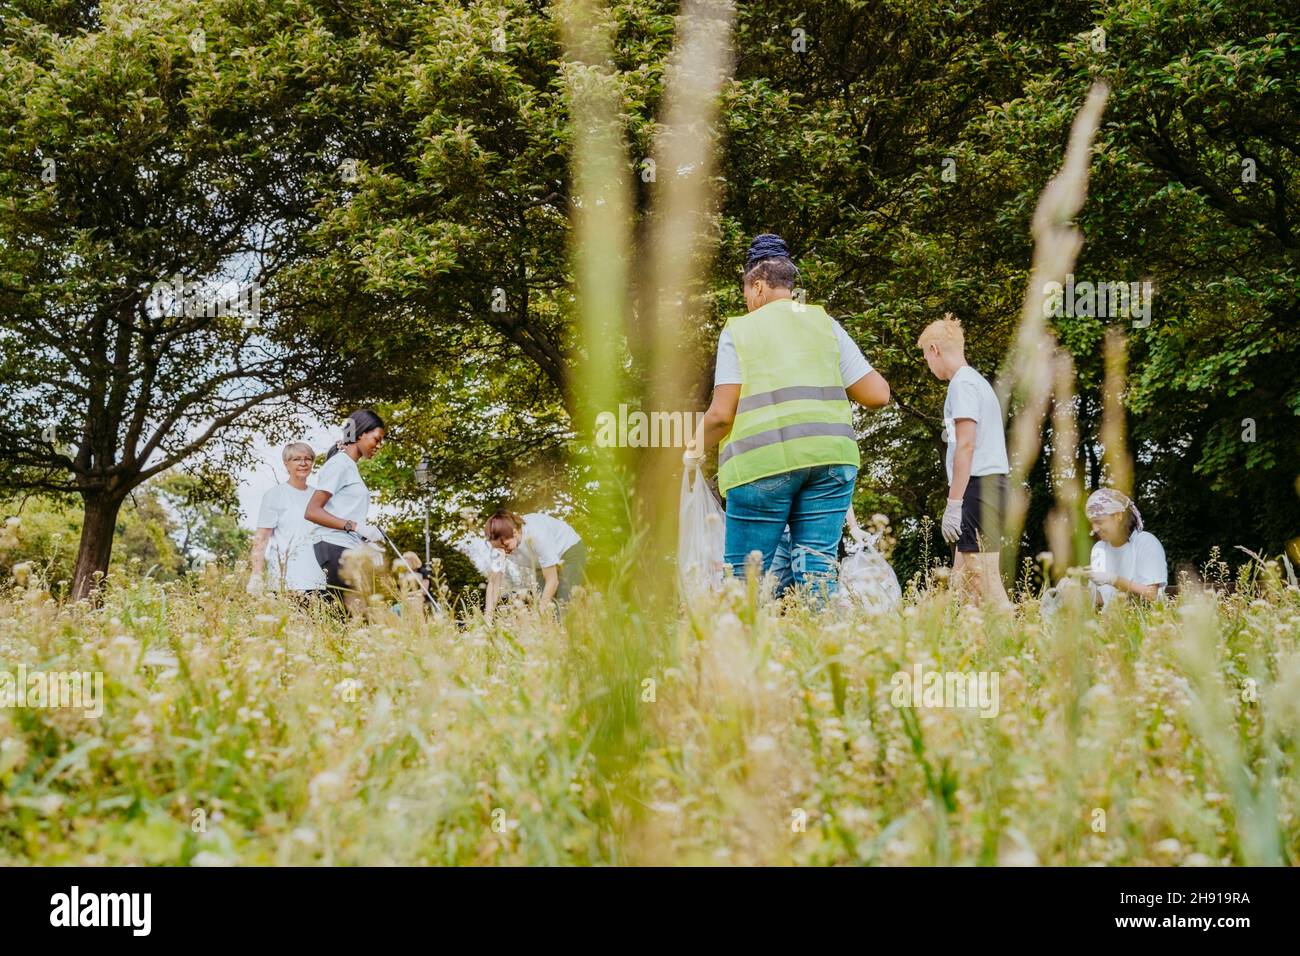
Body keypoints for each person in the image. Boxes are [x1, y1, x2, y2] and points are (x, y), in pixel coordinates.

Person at [685, 233, 890, 599]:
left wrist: (691, 450)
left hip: (762, 467)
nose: (747, 301)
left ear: (759, 285)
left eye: (747, 291)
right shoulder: (824, 323)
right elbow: (878, 394)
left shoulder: (740, 330)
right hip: (831, 463)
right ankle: (822, 648)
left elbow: (721, 415)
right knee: (817, 568)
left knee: (748, 578)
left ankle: (743, 653)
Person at [917, 313, 1011, 608]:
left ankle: (1020, 639)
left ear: (934, 350)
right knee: (961, 583)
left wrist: (954, 503)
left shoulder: (962, 385)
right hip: (987, 487)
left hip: (978, 488)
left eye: (925, 357)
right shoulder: (976, 382)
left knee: (982, 576)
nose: (928, 365)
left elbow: (966, 445)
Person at [304, 409, 386, 606]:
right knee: (348, 615)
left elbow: (343, 511)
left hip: (348, 548)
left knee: (350, 616)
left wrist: (365, 543)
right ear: (360, 434)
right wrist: (357, 527)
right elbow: (312, 511)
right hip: (333, 547)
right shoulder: (340, 464)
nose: (379, 445)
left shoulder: (350, 467)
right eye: (377, 439)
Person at [247, 442, 327, 600]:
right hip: (286, 579)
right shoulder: (275, 495)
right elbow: (262, 538)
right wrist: (256, 574)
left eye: (308, 459)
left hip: (318, 579)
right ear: (286, 464)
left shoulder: (319, 496)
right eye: (297, 459)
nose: (303, 463)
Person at [483, 509, 585, 623]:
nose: (504, 552)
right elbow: (494, 583)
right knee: (542, 604)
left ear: (515, 532)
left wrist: (540, 613)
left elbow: (552, 580)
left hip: (569, 552)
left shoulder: (537, 534)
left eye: (506, 546)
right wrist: (488, 617)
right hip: (541, 564)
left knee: (562, 603)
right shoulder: (499, 548)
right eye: (498, 549)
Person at [1085, 487, 1167, 607]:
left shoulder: (1146, 543)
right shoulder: (1099, 549)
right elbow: (1099, 601)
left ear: (1118, 516)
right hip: (1109, 621)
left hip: (1144, 622)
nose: (1094, 529)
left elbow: (1151, 595)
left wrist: (1115, 580)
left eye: (1099, 521)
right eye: (1092, 522)